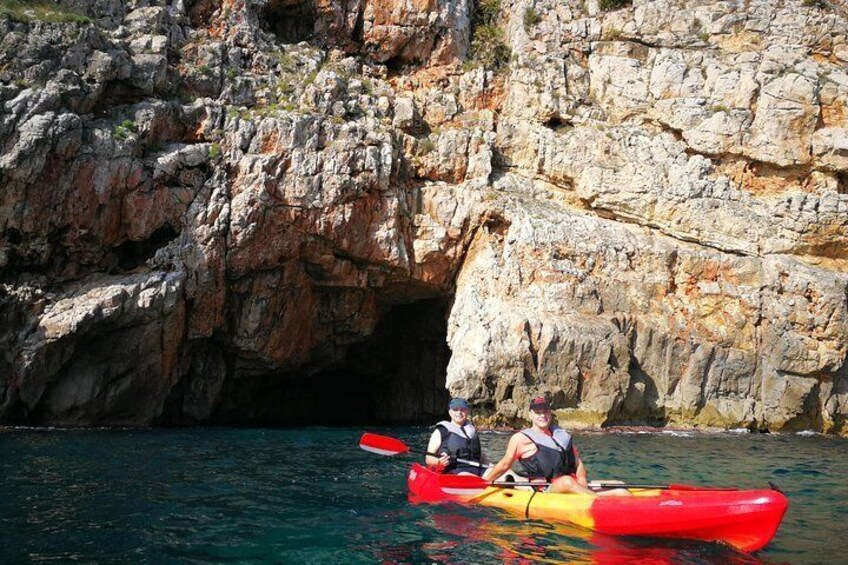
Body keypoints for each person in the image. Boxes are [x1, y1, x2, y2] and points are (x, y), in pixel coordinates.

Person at [482, 396, 630, 496]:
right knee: (566, 482)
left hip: (573, 485)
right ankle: (600, 503)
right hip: (545, 490)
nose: (542, 416)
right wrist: (486, 482)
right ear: (530, 415)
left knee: (620, 486)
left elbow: (577, 462)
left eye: (545, 412)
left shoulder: (562, 435)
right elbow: (505, 464)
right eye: (538, 412)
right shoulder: (520, 438)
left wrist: (582, 479)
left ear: (550, 413)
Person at [426, 398, 486, 476]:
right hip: (455, 472)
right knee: (466, 475)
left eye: (462, 409)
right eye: (455, 409)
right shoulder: (440, 431)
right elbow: (428, 459)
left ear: (467, 411)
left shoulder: (472, 431)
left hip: (478, 470)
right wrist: (439, 462)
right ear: (450, 412)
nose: (459, 412)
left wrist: (492, 466)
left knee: (505, 474)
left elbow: (481, 456)